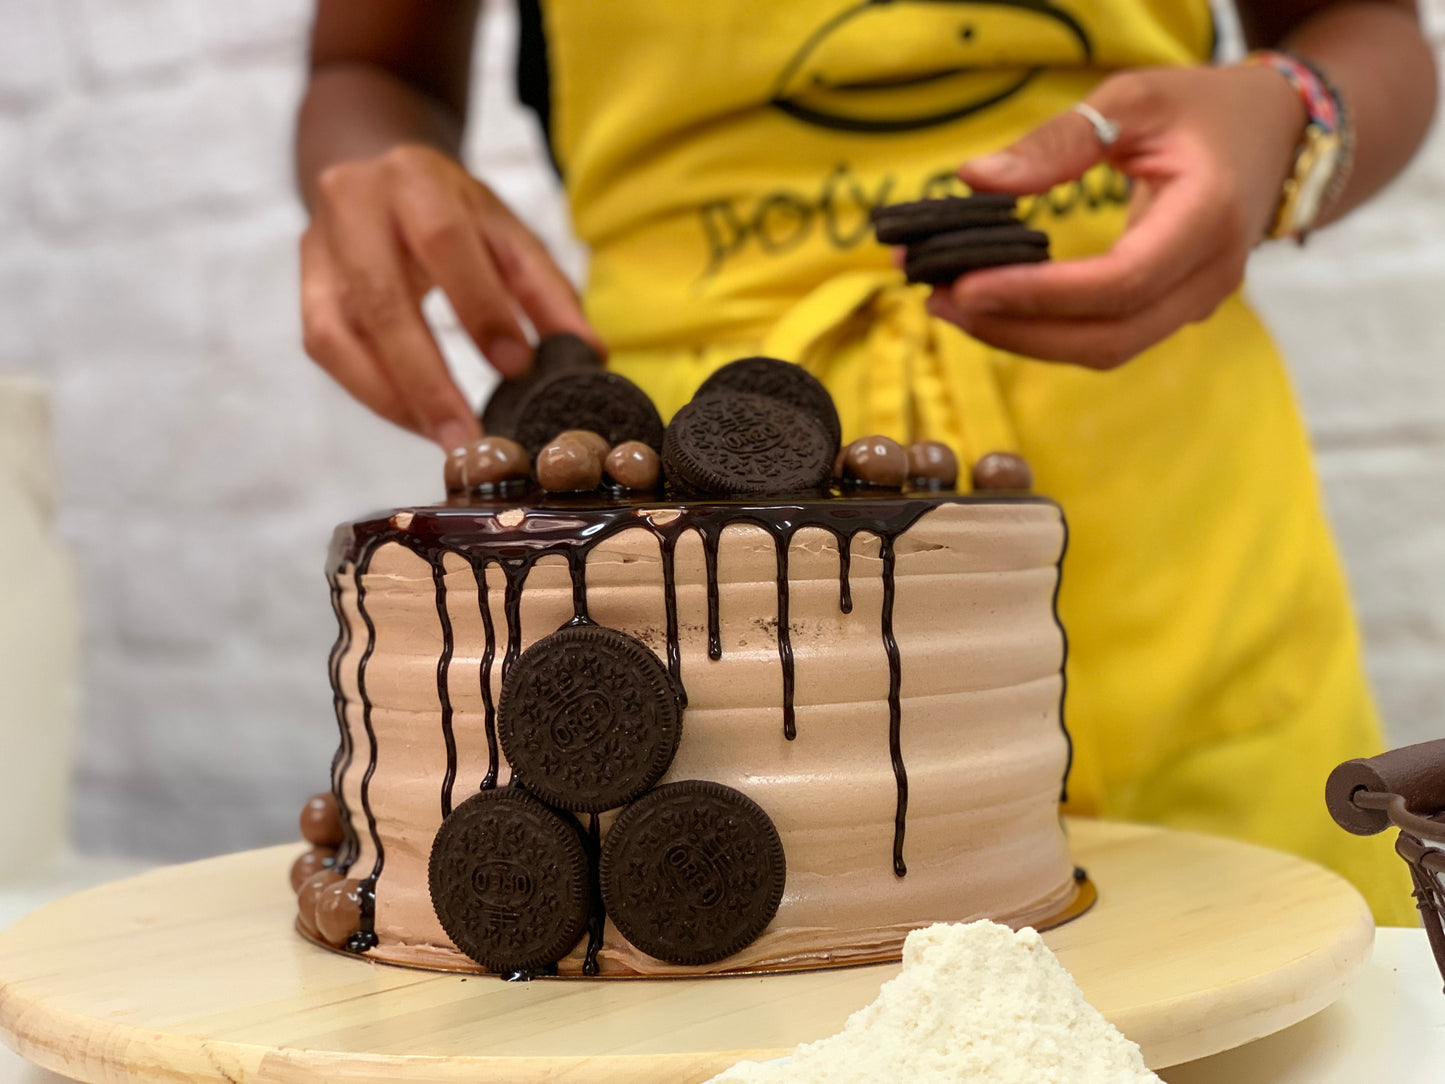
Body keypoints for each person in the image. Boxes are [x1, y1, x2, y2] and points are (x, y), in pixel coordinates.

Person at [294, 0, 1437, 924]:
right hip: (686, 523)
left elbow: (1362, 26)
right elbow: (371, 65)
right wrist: (376, 168)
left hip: (1161, 496)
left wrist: (1289, 112)